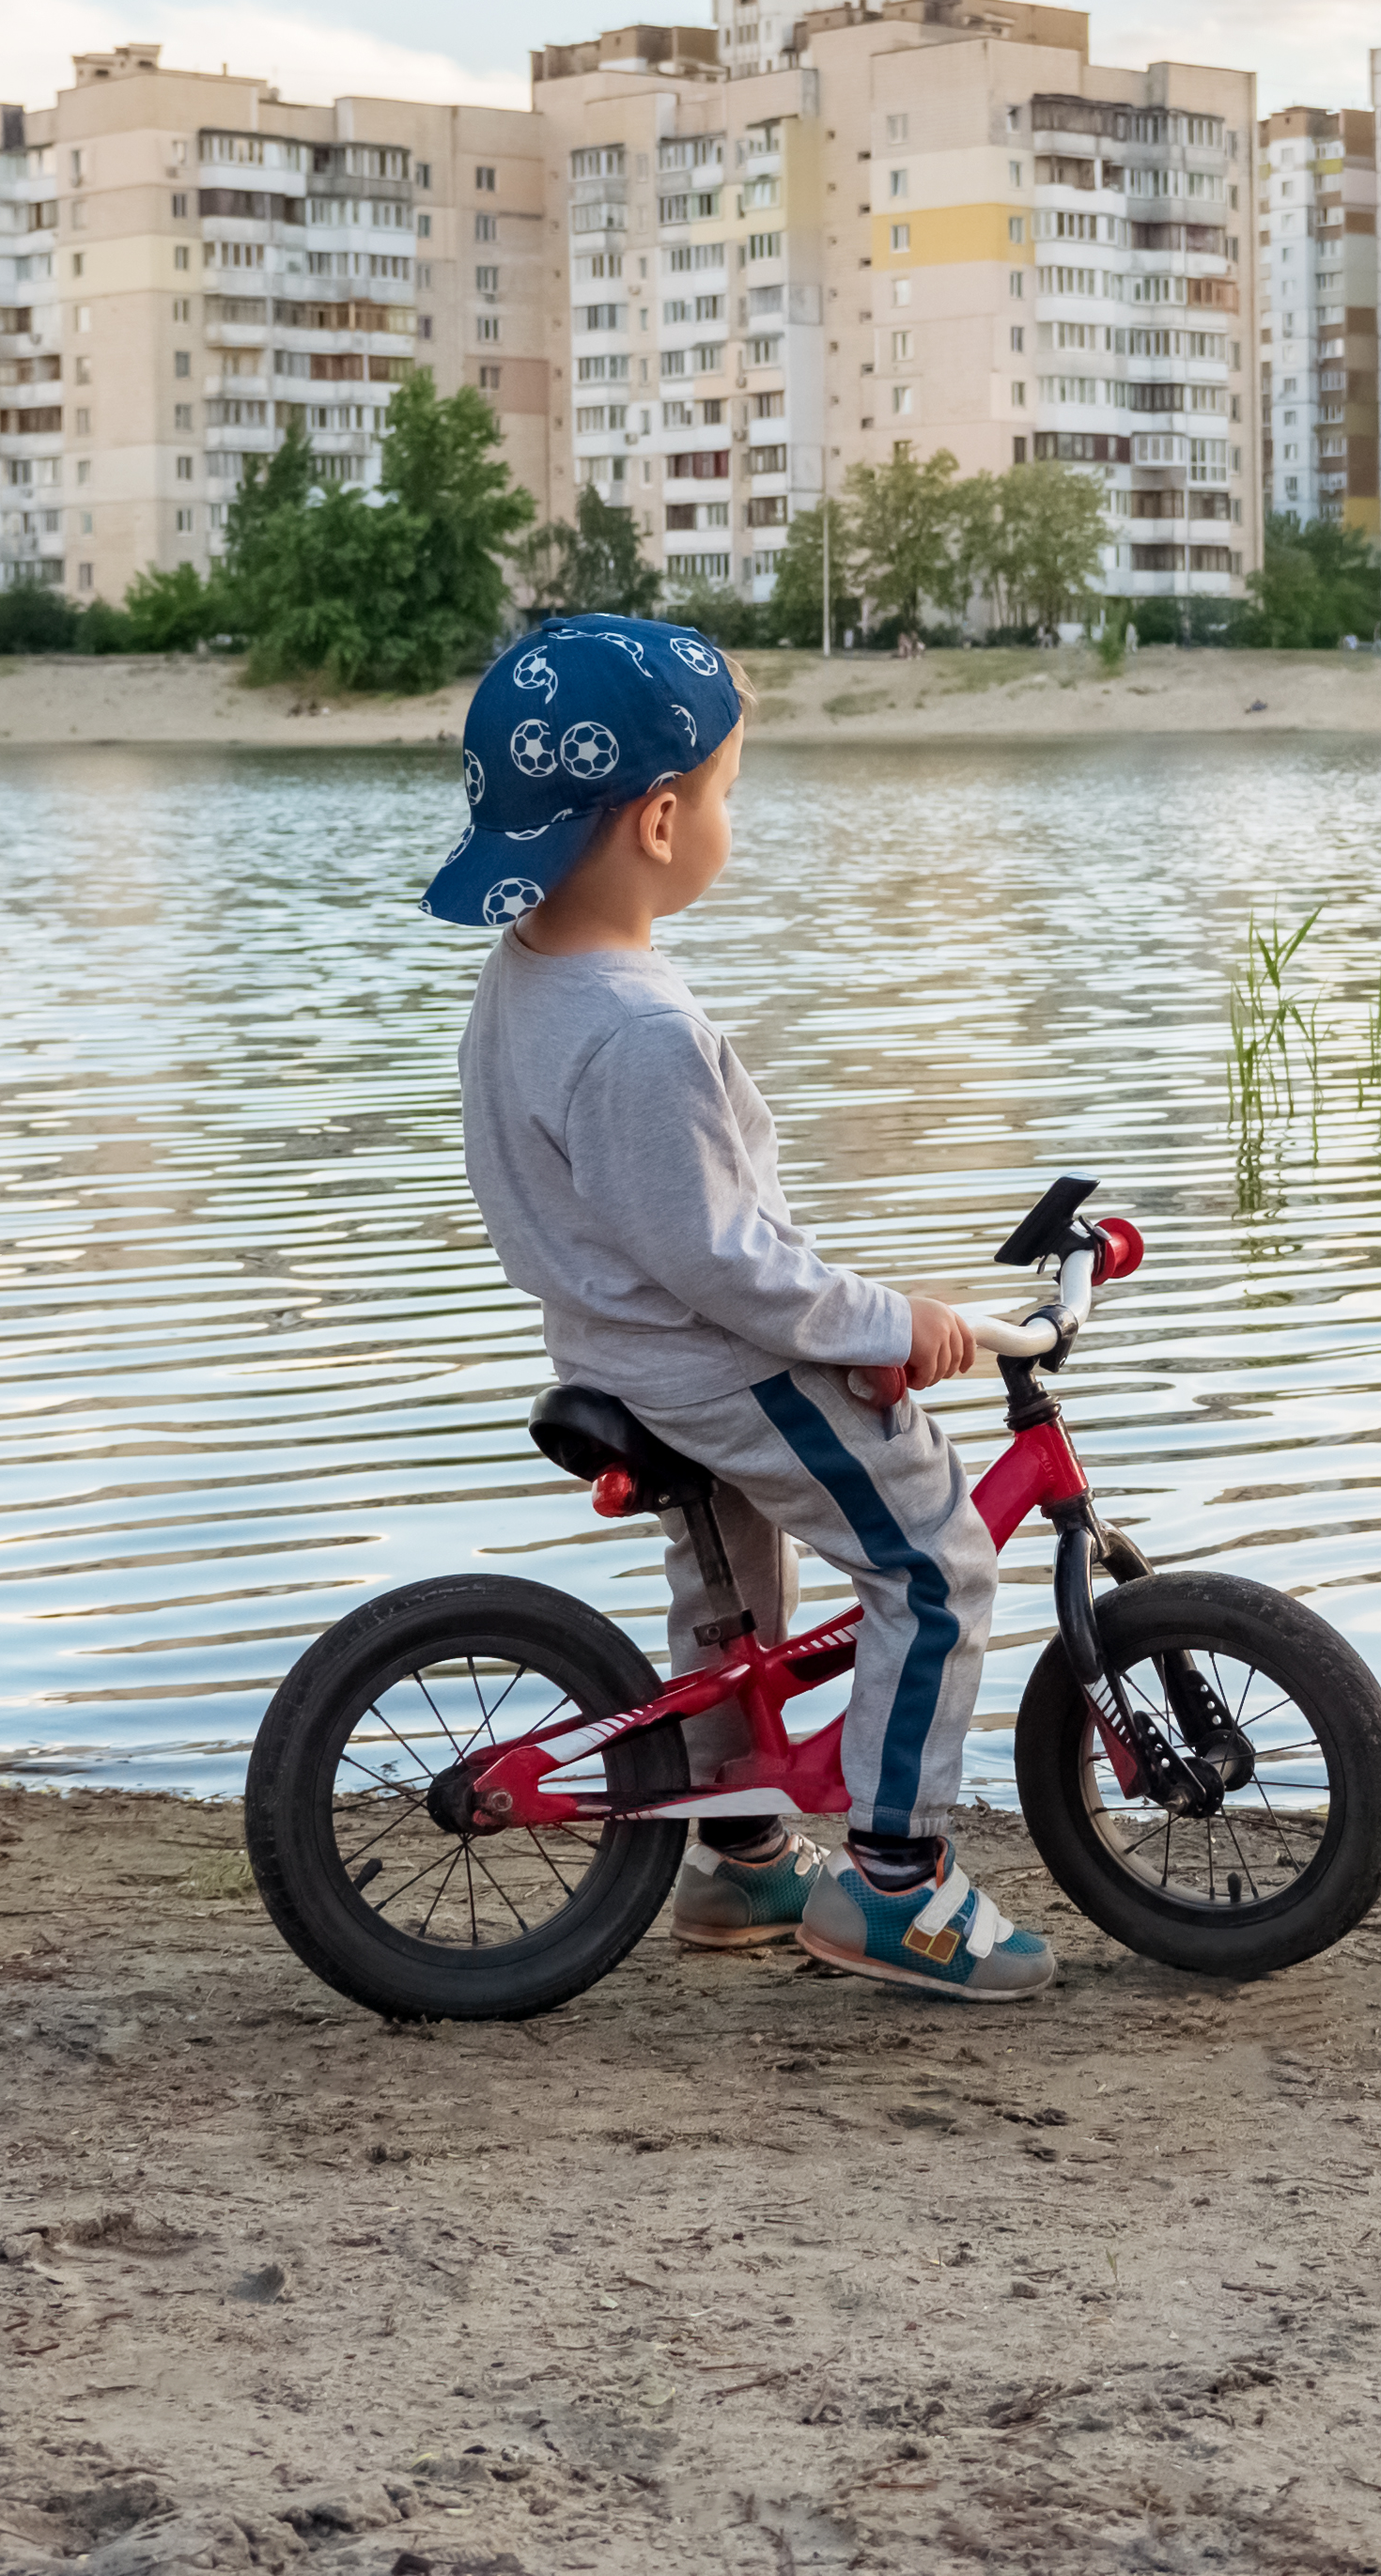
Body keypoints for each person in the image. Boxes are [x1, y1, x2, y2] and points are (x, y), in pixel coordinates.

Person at [428, 617, 1051, 2002]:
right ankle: (895, 1884)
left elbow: (669, 1237)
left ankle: (741, 1853)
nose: (727, 820)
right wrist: (885, 1323)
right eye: (725, 793)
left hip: (619, 1350)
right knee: (936, 1565)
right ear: (660, 820)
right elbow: (730, 1265)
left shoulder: (528, 981)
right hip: (720, 1366)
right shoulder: (643, 1034)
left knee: (731, 1614)